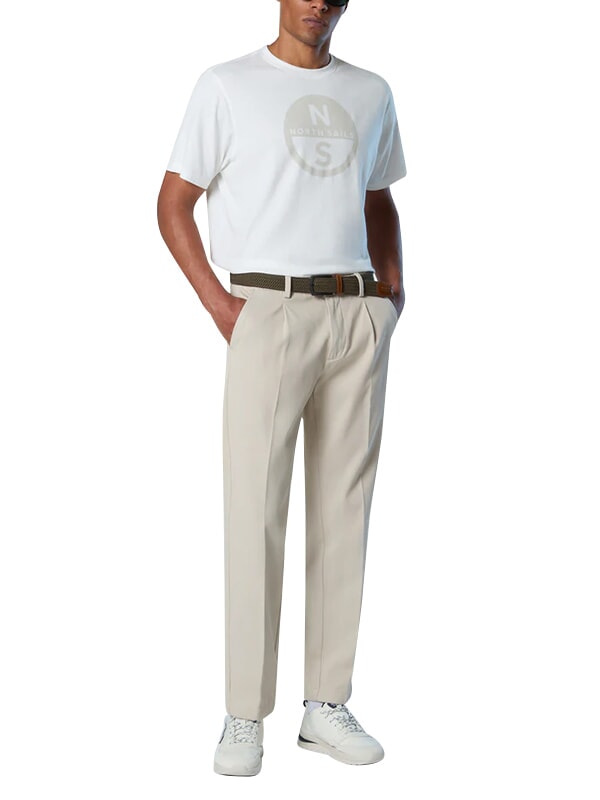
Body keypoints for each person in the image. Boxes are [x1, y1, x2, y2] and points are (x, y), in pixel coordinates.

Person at [157, 0, 407, 777]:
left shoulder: (371, 92)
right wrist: (222, 307)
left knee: (345, 508)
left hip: (354, 312)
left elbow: (377, 198)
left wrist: (391, 293)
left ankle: (325, 704)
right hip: (267, 309)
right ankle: (244, 714)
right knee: (254, 510)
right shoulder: (227, 85)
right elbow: (172, 202)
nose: (317, 4)